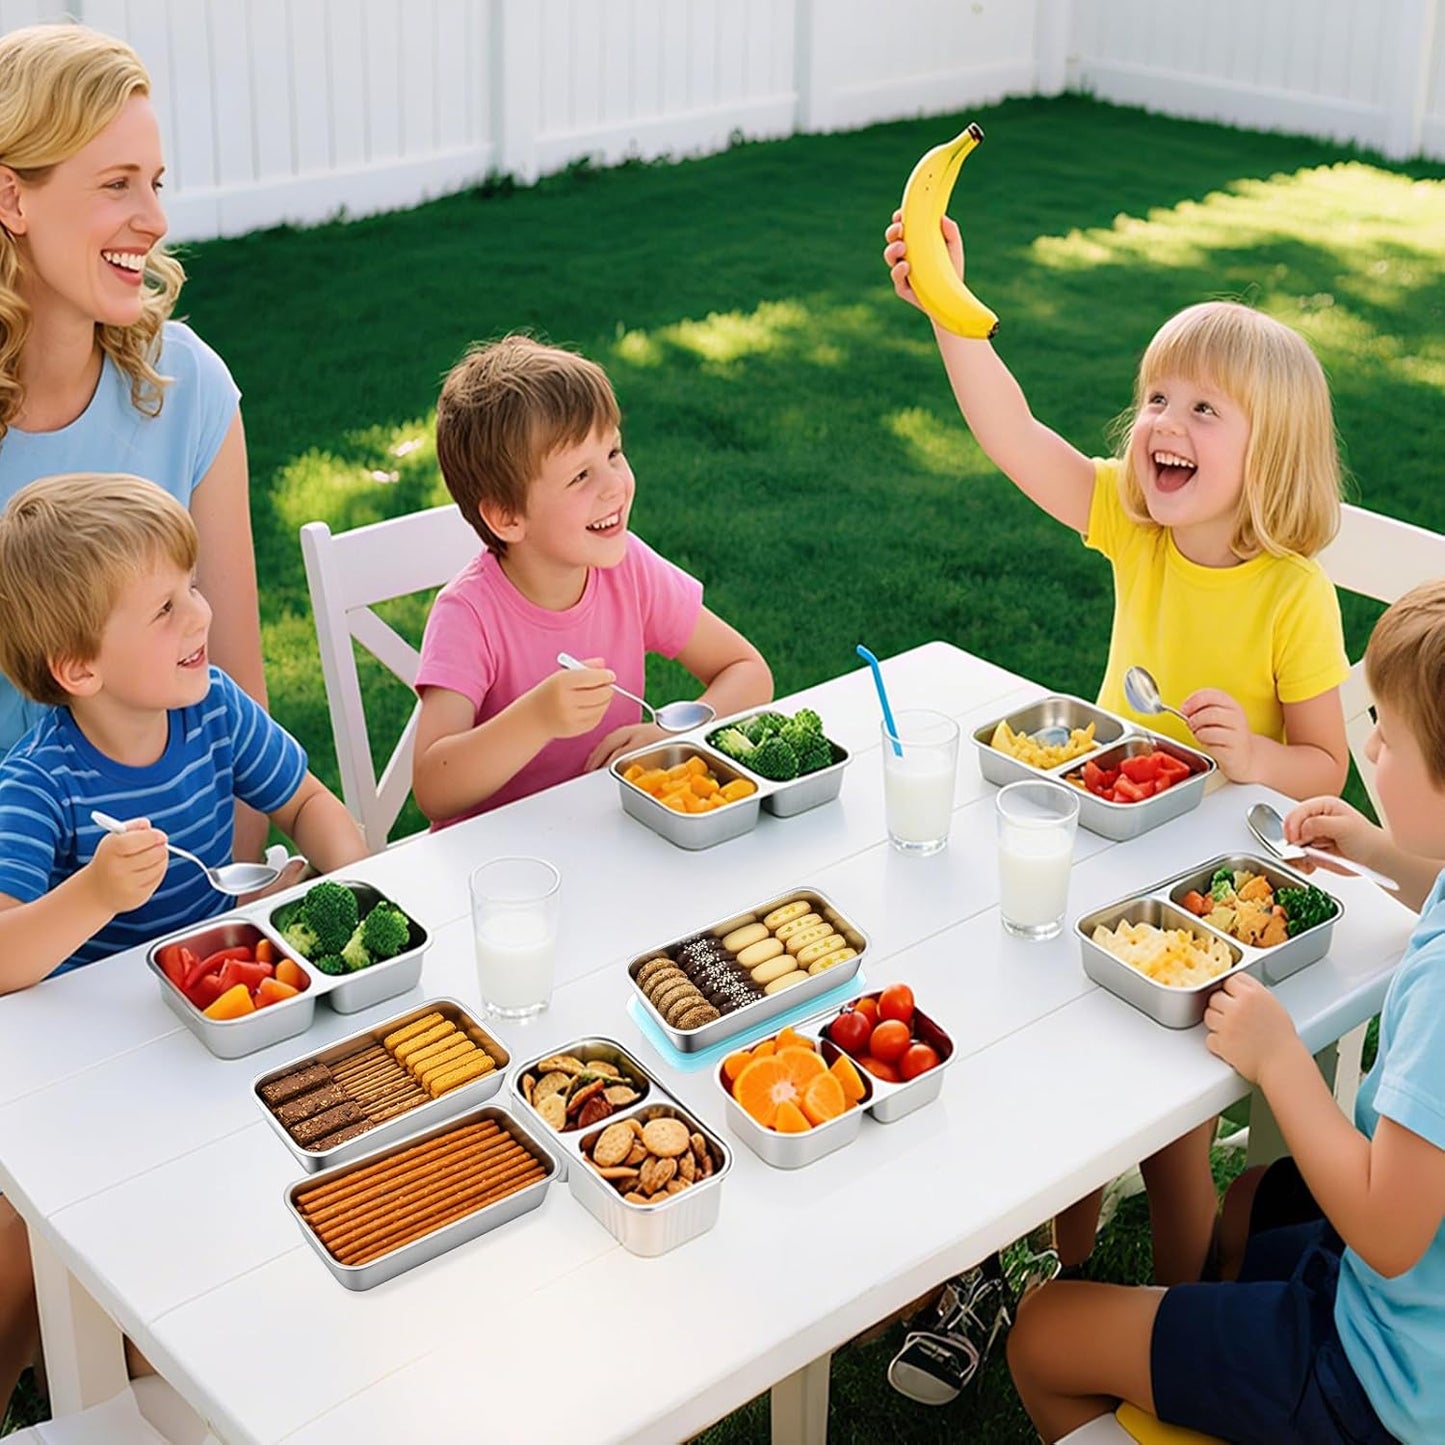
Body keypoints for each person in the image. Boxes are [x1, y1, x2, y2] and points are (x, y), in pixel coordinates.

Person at [884, 219, 1352, 1302]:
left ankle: (1178, 1317)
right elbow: (1012, 434)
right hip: (1097, 844)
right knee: (1052, 1060)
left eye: (1200, 408)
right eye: (1153, 398)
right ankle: (1060, 1261)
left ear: (1267, 452)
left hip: (1208, 892)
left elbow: (1325, 766)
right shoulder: (1133, 527)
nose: (1161, 424)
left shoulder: (1291, 591)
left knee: (1169, 1133)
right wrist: (950, 315)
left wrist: (1255, 753)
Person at [1007, 576, 1445, 1444]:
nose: (1372, 751)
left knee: (1043, 1333)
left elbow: (1391, 1232)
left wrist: (1279, 1058)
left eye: (1387, 739)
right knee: (1246, 1199)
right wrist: (1377, 853)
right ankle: (1201, 1357)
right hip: (1414, 1317)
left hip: (1381, 1378)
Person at [0, 472, 368, 1410]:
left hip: (218, 1024)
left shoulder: (211, 708)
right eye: (165, 607)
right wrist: (91, 893)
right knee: (60, 1279)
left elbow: (308, 801)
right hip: (95, 1073)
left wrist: (349, 882)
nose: (200, 614)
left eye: (191, 586)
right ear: (79, 667)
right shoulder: (38, 784)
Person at [0, 21, 271, 864]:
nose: (153, 220)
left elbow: (238, 711)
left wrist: (221, 914)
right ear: (12, 199)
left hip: (177, 905)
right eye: (117, 183)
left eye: (154, 183)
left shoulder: (185, 387)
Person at [412, 334, 773, 826]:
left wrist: (670, 736)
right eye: (580, 476)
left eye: (614, 453)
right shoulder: (468, 614)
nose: (615, 485)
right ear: (508, 517)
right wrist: (536, 718)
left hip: (609, 839)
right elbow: (434, 788)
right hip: (502, 872)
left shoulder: (627, 570)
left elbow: (749, 672)